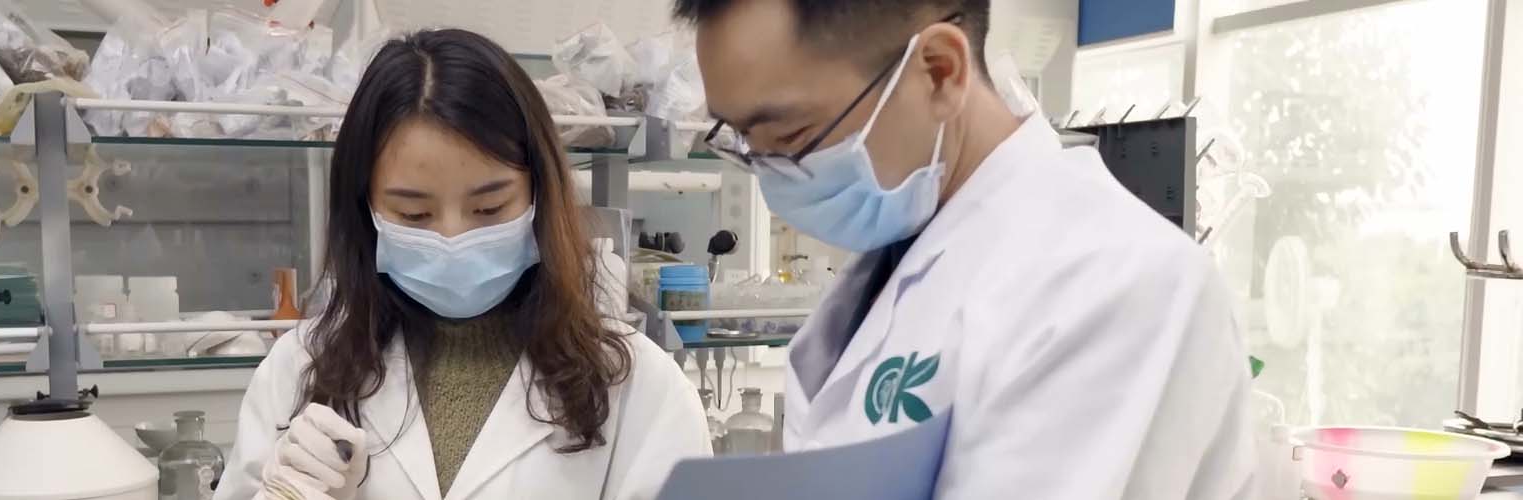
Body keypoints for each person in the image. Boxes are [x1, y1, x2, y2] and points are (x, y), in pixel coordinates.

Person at [673, 0, 1256, 497]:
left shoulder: (1111, 280)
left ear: (939, 72)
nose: (772, 178)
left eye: (791, 137)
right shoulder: (901, 258)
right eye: (745, 143)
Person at [211, 28, 711, 500]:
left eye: (489, 208)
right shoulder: (298, 370)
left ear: (541, 194)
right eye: (414, 214)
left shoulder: (640, 389)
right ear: (365, 211)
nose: (453, 238)